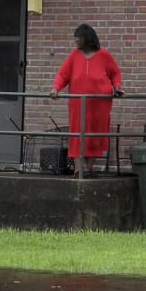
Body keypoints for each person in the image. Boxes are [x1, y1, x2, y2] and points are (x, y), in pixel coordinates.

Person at [50, 24, 123, 178]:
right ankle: (78, 169)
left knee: (95, 135)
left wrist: (117, 87)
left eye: (79, 37)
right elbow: (63, 74)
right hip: (78, 104)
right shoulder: (73, 56)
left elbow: (115, 73)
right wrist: (56, 88)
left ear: (87, 38)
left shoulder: (104, 55)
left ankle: (88, 169)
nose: (76, 40)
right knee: (77, 134)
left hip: (100, 105)